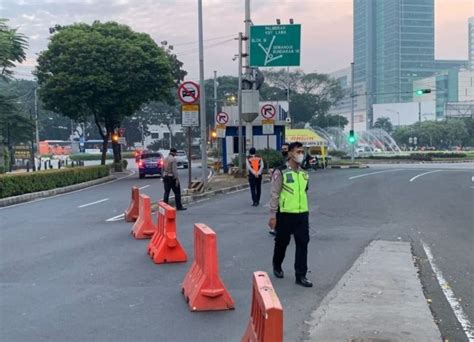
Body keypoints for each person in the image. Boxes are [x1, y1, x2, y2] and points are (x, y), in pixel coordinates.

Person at [268, 141, 313, 288]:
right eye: (298, 151)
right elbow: (275, 194)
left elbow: (304, 191)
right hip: (285, 214)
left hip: (302, 214)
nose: (301, 154)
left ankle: (301, 275)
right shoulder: (280, 172)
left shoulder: (303, 173)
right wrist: (273, 215)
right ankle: (277, 264)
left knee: (303, 243)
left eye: (302, 151)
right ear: (290, 154)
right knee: (282, 242)